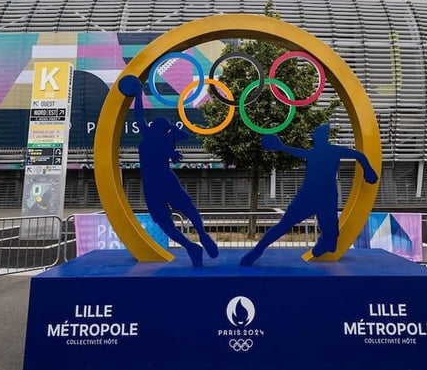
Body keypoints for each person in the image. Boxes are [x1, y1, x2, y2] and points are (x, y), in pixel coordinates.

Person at [240, 123, 378, 266]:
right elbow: (358, 155)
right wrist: (281, 147)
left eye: (317, 135)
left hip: (324, 197)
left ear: (320, 138)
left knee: (330, 236)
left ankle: (326, 244)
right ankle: (258, 250)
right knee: (285, 226)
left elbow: (359, 155)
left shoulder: (327, 152)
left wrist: (368, 170)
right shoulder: (320, 152)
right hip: (313, 196)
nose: (315, 137)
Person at [118, 75, 218, 266]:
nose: (152, 123)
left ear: (156, 126)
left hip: (153, 184)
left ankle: (192, 245)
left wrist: (139, 94)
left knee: (166, 222)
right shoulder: (168, 138)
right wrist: (171, 132)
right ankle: (200, 239)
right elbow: (183, 134)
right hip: (164, 180)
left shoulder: (148, 135)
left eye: (156, 122)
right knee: (185, 210)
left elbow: (138, 114)